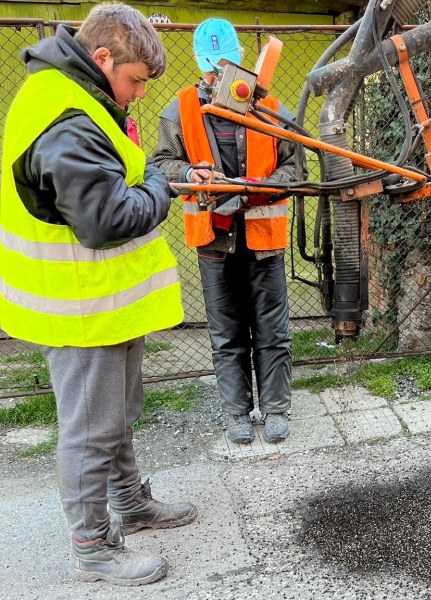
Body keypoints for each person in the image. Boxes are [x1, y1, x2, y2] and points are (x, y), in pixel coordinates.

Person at [0, 2, 197, 587]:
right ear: (103, 56)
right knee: (90, 430)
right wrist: (159, 183)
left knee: (116, 415)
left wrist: (144, 180)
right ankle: (92, 549)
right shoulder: (65, 114)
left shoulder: (78, 98)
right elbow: (107, 217)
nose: (137, 93)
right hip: (79, 305)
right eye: (135, 79)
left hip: (101, 300)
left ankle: (130, 504)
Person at [153, 18, 303, 446]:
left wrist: (266, 185)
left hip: (262, 238)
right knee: (226, 333)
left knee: (272, 330)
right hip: (215, 238)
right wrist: (187, 171)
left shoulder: (269, 107)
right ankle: (237, 413)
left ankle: (275, 409)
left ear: (240, 60)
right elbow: (159, 163)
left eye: (226, 65)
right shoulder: (180, 109)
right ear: (200, 66)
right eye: (211, 67)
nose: (219, 75)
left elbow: (297, 165)